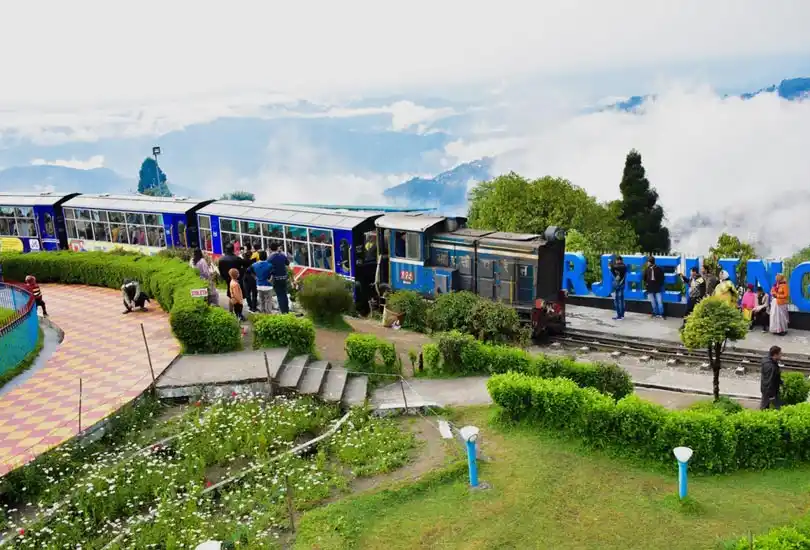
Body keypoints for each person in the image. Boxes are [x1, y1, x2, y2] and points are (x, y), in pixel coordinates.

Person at [217, 243, 244, 312]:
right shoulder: (237, 259)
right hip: (236, 280)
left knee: (231, 294)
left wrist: (225, 278)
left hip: (228, 280)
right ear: (233, 249)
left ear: (226, 250)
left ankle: (231, 311)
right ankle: (238, 313)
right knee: (237, 295)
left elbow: (220, 271)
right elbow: (243, 268)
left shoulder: (221, 259)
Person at [268, 242, 291, 314]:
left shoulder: (270, 258)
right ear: (277, 248)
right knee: (284, 294)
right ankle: (286, 310)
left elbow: (268, 269)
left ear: (270, 249)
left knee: (280, 295)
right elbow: (288, 263)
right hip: (284, 278)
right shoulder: (282, 255)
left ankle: (283, 312)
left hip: (276, 279)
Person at [760, 345, 783, 410]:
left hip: (765, 390)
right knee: (772, 407)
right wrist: (771, 396)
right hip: (770, 392)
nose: (781, 355)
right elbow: (769, 381)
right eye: (780, 354)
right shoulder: (771, 367)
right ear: (775, 355)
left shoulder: (766, 360)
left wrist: (780, 381)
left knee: (765, 406)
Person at [241, 243, 258, 313]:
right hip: (253, 278)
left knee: (247, 293)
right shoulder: (254, 262)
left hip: (246, 278)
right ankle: (254, 307)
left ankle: (251, 306)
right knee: (254, 293)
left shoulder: (243, 261)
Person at [608, 255, 627, 320]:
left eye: (616, 260)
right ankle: (622, 315)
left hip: (618, 285)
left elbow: (613, 267)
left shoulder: (619, 266)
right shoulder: (624, 266)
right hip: (622, 284)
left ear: (619, 260)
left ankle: (619, 316)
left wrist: (610, 264)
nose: (616, 262)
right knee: (621, 300)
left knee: (617, 300)